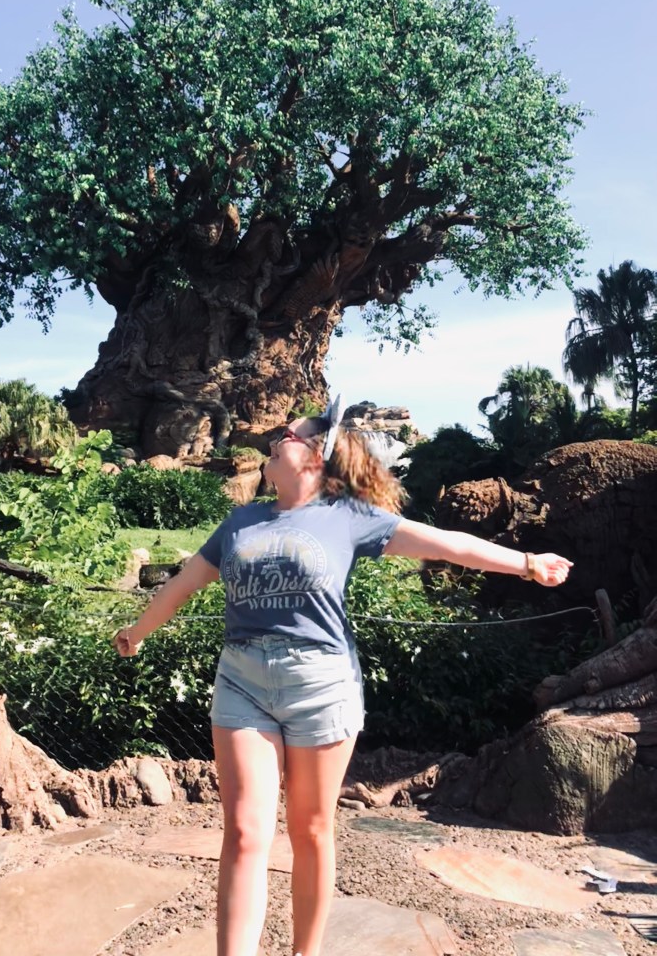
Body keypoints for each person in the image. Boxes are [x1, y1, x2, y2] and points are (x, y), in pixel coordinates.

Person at [113, 399, 572, 956]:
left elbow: (447, 544)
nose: (275, 439)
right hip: (241, 681)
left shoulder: (350, 517)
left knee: (310, 830)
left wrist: (526, 563)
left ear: (316, 456)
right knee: (245, 833)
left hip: (322, 686)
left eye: (288, 435)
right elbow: (183, 584)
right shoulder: (240, 522)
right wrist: (138, 631)